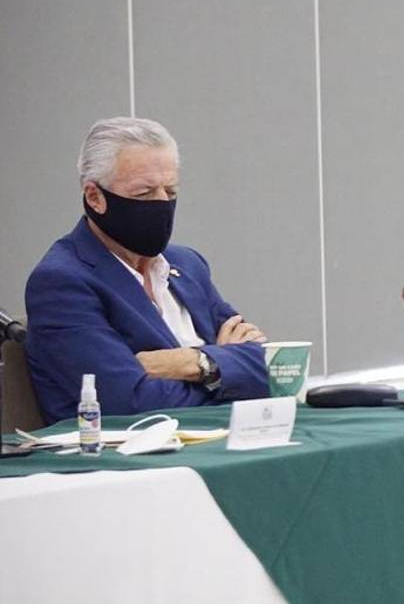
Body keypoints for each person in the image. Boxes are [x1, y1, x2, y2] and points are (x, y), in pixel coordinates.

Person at [24, 117, 269, 423]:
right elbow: (130, 402)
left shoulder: (187, 265)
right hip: (126, 450)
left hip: (223, 440)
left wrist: (193, 362)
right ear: (94, 196)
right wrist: (226, 373)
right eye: (143, 194)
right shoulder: (62, 282)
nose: (161, 204)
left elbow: (266, 365)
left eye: (171, 192)